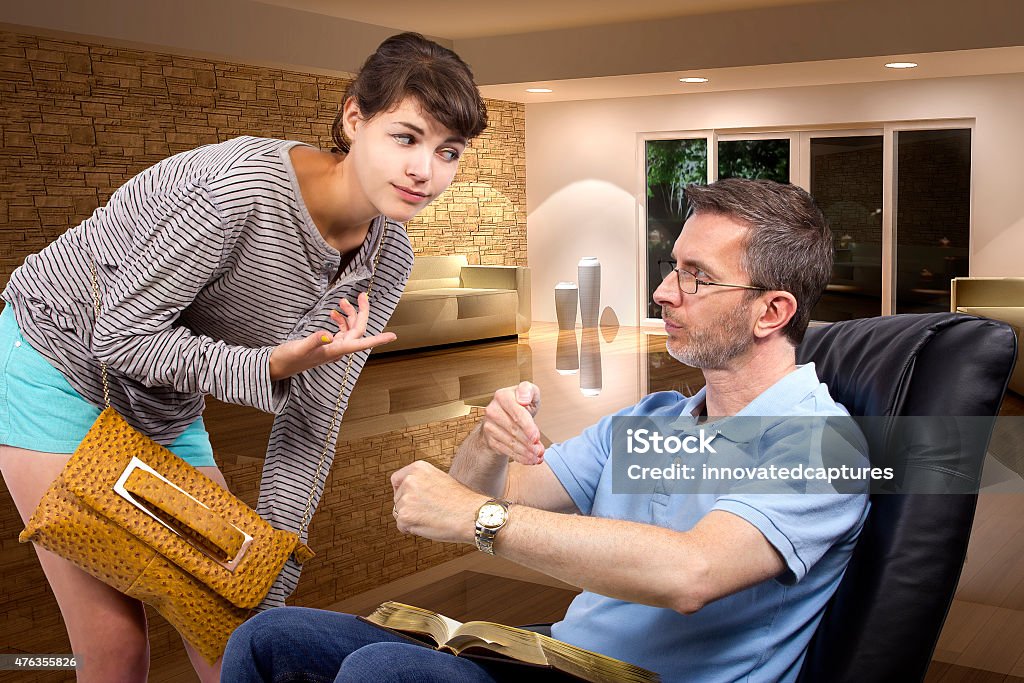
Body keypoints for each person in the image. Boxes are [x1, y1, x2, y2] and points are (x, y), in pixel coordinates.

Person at [222, 178, 870, 683]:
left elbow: (691, 573)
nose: (664, 292)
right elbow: (507, 496)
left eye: (696, 276)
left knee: (385, 673)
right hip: (556, 660)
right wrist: (488, 442)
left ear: (772, 311)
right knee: (266, 636)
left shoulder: (816, 443)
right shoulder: (653, 424)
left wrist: (479, 517)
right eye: (672, 267)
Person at [0, 32, 487, 683]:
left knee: (237, 629)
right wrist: (267, 368)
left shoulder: (386, 255)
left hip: (160, 398)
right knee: (114, 648)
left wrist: (266, 593)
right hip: (55, 359)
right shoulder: (241, 192)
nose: (426, 169)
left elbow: (311, 422)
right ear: (354, 118)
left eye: (448, 151)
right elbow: (120, 334)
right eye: (406, 137)